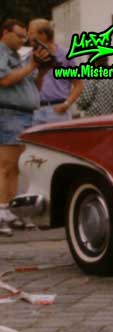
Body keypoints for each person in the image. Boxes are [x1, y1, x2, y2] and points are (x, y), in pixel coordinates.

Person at [0, 19, 46, 236]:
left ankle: (9, 210)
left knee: (16, 167)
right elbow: (5, 80)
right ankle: (1, 212)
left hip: (23, 115)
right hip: (9, 113)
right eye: (18, 35)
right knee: (7, 166)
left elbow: (32, 85)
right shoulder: (2, 53)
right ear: (5, 33)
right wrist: (31, 66)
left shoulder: (17, 56)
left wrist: (42, 72)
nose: (23, 39)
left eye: (23, 36)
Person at [28, 19, 83, 126]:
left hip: (58, 111)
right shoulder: (30, 57)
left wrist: (67, 104)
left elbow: (78, 84)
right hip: (36, 111)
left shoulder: (66, 55)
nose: (28, 36)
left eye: (31, 33)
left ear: (43, 34)